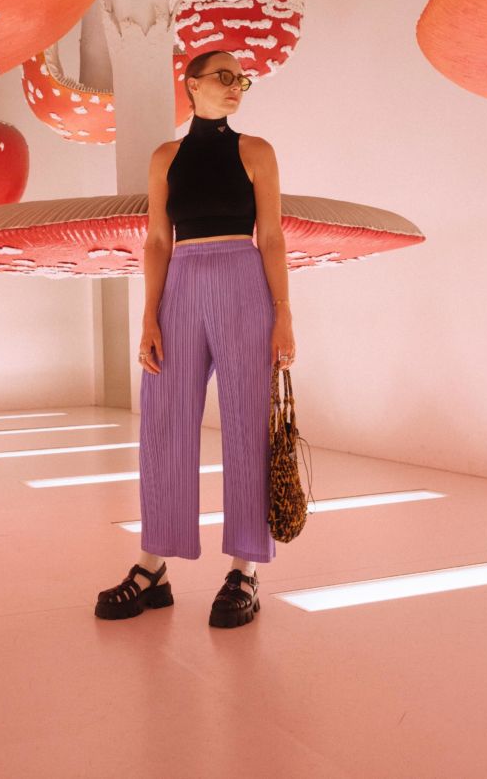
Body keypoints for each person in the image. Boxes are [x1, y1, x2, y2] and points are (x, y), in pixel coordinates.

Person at [95, 49, 295, 627]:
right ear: (192, 85)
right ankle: (152, 567)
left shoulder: (256, 151)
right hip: (179, 285)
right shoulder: (165, 157)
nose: (235, 87)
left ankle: (245, 571)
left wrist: (283, 313)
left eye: (242, 80)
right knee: (162, 422)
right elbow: (158, 239)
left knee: (248, 424)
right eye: (223, 77)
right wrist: (148, 315)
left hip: (243, 283)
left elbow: (272, 236)